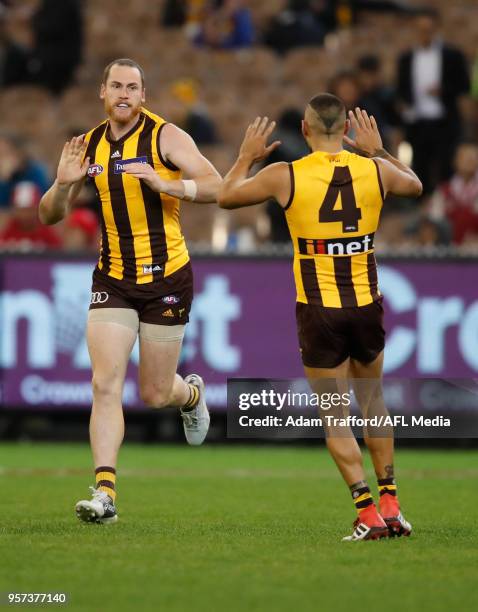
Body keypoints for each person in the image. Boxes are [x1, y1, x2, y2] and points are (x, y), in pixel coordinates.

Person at [218, 95, 422, 541]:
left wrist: (245, 157)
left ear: (306, 131)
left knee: (335, 414)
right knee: (373, 401)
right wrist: (379, 150)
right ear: (346, 128)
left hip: (319, 308)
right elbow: (416, 186)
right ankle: (391, 504)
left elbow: (226, 196)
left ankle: (367, 513)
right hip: (367, 303)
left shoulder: (285, 174)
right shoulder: (376, 170)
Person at [39, 58, 222, 524]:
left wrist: (168, 184)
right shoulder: (89, 145)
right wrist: (63, 185)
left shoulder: (166, 137)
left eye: (133, 87)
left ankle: (192, 397)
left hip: (166, 278)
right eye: (116, 85)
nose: (124, 93)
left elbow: (217, 186)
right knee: (104, 384)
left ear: (143, 96)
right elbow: (49, 216)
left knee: (157, 393)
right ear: (103, 92)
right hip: (113, 280)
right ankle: (105, 492)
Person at [396, 8, 470, 195]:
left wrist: (443, 90)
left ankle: (447, 203)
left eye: (428, 29)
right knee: (419, 165)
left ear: (436, 29)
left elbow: (464, 85)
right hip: (417, 121)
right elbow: (401, 88)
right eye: (420, 29)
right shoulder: (406, 58)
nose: (424, 34)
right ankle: (422, 205)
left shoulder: (452, 55)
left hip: (445, 120)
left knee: (447, 164)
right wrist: (404, 104)